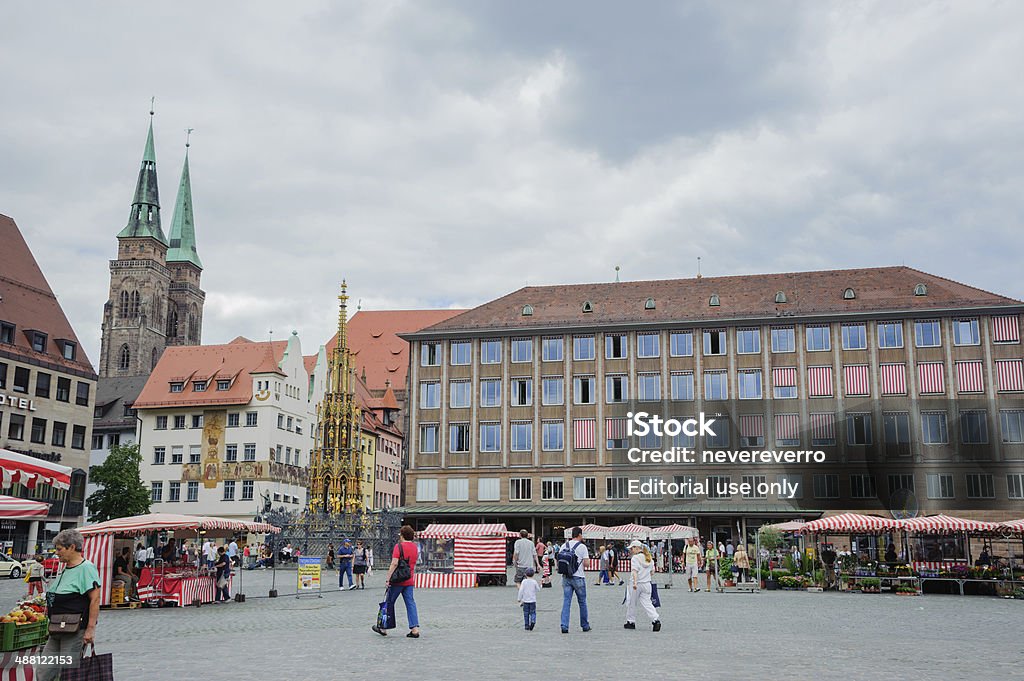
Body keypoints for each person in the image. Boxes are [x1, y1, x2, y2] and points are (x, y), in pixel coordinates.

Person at [36, 529, 100, 681]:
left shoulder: (86, 568)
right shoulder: (65, 568)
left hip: (74, 630)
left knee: (67, 674)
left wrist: (90, 630)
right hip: (56, 628)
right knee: (43, 672)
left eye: (59, 549)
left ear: (71, 547)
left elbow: (95, 599)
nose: (56, 553)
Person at [372, 525, 420, 638]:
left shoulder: (398, 547)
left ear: (402, 535)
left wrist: (388, 578)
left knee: (389, 602)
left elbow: (394, 563)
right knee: (410, 603)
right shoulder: (414, 547)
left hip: (397, 580)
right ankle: (414, 629)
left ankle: (383, 628)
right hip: (409, 579)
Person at [623, 540, 661, 632]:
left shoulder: (635, 558)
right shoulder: (649, 558)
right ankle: (655, 619)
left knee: (632, 603)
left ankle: (631, 621)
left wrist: (635, 583)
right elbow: (652, 572)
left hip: (636, 584)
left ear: (637, 548)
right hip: (647, 584)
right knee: (647, 603)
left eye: (632, 548)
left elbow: (634, 571)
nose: (631, 550)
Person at [560, 526, 590, 634]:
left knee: (566, 601)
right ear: (580, 535)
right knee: (582, 602)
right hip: (578, 577)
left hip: (566, 577)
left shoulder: (564, 545)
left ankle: (564, 625)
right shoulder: (582, 547)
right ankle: (585, 625)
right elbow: (586, 564)